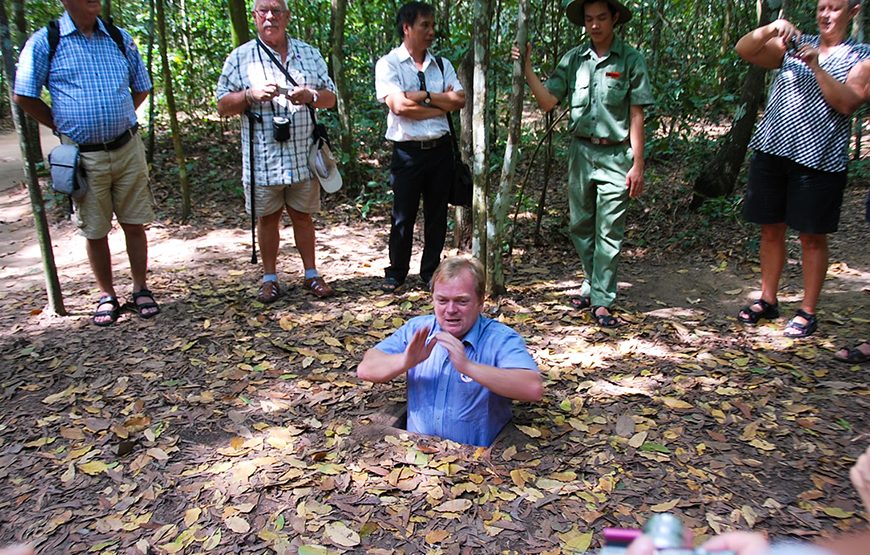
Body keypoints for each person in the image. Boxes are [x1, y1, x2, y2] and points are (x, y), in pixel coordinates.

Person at [14, 0, 158, 326]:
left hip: (127, 147)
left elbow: (143, 86)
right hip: (82, 155)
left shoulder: (119, 38)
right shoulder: (45, 41)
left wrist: (118, 116)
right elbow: (24, 93)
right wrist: (58, 123)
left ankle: (140, 288)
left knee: (135, 222)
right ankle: (107, 294)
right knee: (95, 229)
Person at [512, 0, 653, 328]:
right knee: (580, 226)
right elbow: (548, 101)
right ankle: (593, 283)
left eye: (602, 18)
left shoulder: (631, 60)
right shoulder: (574, 59)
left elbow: (636, 114)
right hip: (581, 153)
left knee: (609, 230)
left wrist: (638, 164)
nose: (595, 25)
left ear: (614, 18)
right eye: (589, 19)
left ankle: (603, 299)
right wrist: (528, 68)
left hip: (617, 154)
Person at [735, 0, 870, 338]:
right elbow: (745, 49)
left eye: (835, 8)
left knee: (811, 236)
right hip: (773, 150)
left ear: (852, 11)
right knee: (770, 228)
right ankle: (768, 299)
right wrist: (771, 29)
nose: (826, 15)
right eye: (822, 7)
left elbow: (847, 102)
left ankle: (808, 311)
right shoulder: (794, 44)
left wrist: (817, 66)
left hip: (819, 161)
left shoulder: (861, 56)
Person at [216, 0, 337, 303]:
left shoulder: (308, 54)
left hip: (303, 155)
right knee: (267, 219)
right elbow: (222, 105)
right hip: (263, 159)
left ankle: (311, 273)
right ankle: (269, 278)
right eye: (263, 11)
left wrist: (310, 95)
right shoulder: (240, 57)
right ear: (255, 16)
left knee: (303, 216)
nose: (270, 16)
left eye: (277, 10)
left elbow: (331, 98)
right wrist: (249, 95)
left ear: (288, 16)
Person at [356, 256, 543, 446]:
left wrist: (468, 367)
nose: (450, 310)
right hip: (415, 456)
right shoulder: (417, 329)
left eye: (461, 301)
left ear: (480, 302)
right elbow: (366, 369)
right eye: (442, 300)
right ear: (433, 299)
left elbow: (532, 388)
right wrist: (405, 360)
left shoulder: (500, 338)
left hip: (476, 463)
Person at [374, 1, 466, 292]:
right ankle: (397, 271)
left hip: (440, 151)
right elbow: (398, 106)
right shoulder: (389, 64)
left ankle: (430, 272)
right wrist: (438, 100)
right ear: (407, 28)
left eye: (432, 25)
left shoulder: (442, 65)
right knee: (403, 214)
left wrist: (421, 97)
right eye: (424, 25)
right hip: (407, 152)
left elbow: (459, 100)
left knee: (437, 215)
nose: (431, 31)